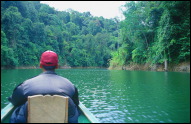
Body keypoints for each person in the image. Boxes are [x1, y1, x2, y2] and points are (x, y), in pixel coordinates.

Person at [8, 50, 80, 123]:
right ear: (57, 66)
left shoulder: (26, 85)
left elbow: (14, 101)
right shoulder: (69, 85)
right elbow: (76, 103)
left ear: (40, 65)